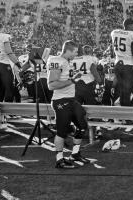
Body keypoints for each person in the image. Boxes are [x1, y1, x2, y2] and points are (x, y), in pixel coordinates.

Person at [47, 40, 90, 169]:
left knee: (82, 126)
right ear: (68, 50)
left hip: (71, 100)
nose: (76, 54)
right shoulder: (56, 60)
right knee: (62, 131)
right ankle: (59, 160)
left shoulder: (67, 62)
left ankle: (75, 153)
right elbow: (51, 85)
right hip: (60, 100)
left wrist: (74, 78)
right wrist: (72, 80)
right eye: (75, 52)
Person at [111, 19, 133, 107]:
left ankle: (118, 116)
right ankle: (126, 118)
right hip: (128, 67)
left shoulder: (115, 32)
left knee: (119, 91)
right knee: (127, 93)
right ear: (129, 25)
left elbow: (113, 49)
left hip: (118, 65)